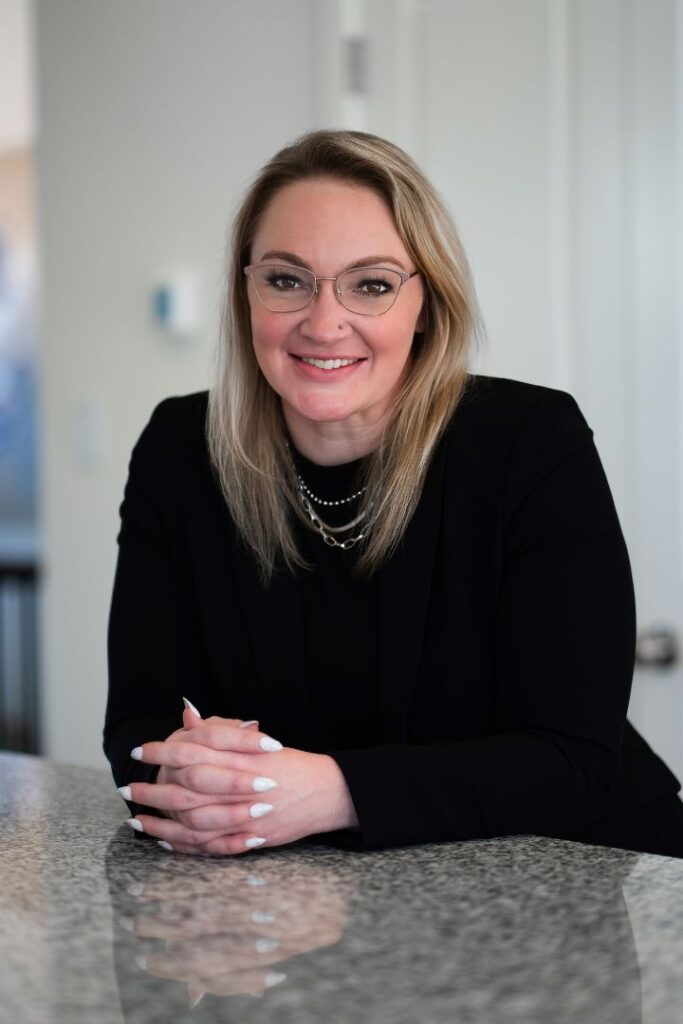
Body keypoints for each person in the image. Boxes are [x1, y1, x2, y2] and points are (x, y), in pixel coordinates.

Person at [105, 129, 683, 858]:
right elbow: (136, 730)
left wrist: (329, 791)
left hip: (569, 874)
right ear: (244, 291)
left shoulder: (530, 442)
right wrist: (198, 765)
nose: (322, 322)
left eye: (370, 284)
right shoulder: (179, 448)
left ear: (426, 305)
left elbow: (572, 759)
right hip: (300, 898)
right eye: (285, 279)